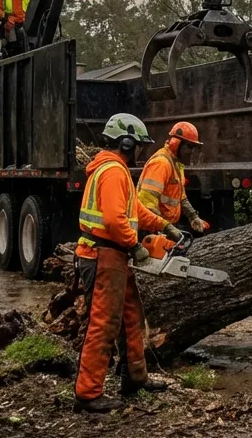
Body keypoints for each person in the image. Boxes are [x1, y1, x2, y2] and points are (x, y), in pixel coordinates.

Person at [74, 113, 184, 413]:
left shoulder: (116, 170)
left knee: (132, 315)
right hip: (103, 255)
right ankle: (88, 393)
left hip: (115, 255)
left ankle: (135, 377)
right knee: (104, 323)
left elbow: (134, 208)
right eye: (137, 145)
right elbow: (114, 219)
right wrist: (135, 246)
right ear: (125, 143)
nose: (139, 151)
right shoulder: (112, 171)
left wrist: (164, 226)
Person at [137, 121, 210, 234]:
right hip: (152, 229)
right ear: (176, 143)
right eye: (189, 147)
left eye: (194, 148)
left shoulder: (176, 164)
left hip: (165, 226)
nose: (192, 152)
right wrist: (161, 229)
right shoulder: (162, 163)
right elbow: (147, 202)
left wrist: (193, 217)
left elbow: (181, 197)